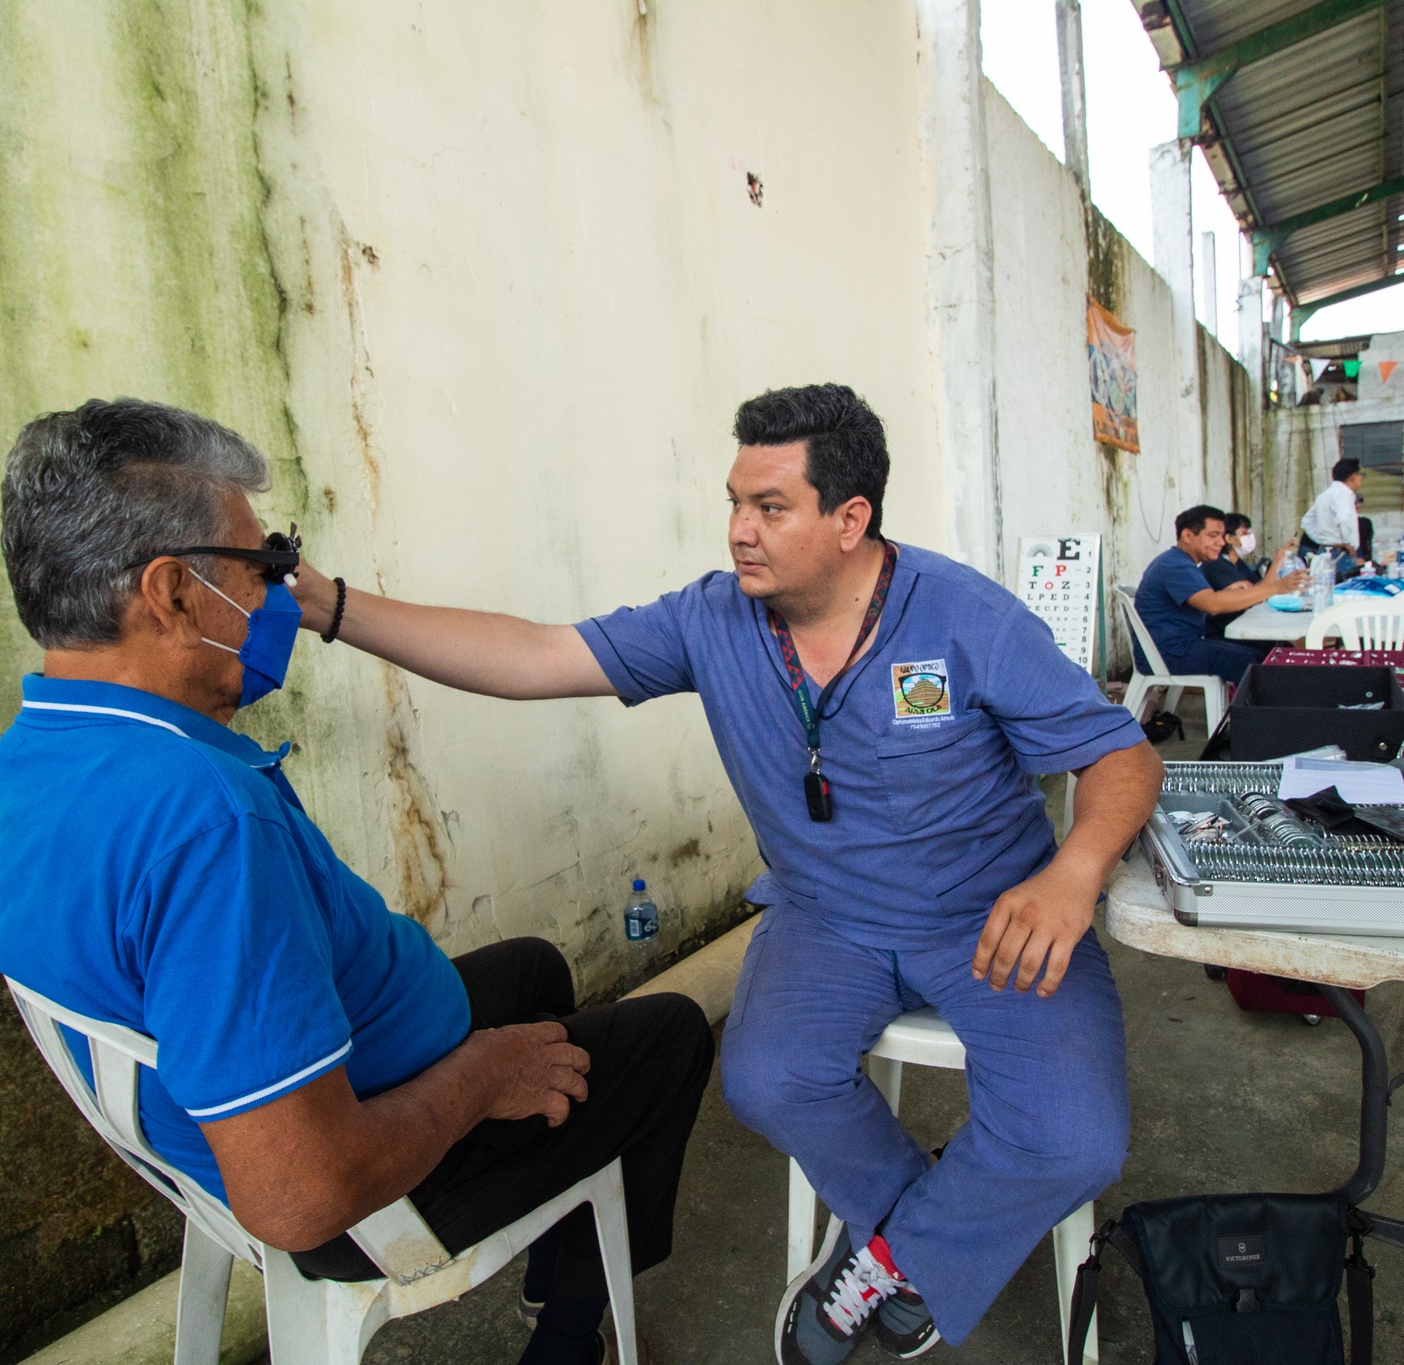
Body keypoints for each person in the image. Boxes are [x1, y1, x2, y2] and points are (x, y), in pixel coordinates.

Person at [281, 383, 1166, 1363]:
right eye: (736, 502)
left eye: (770, 507)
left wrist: (1074, 872)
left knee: (1076, 1139)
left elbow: (1120, 755)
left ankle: (888, 1255)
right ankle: (916, 1242)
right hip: (825, 917)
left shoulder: (966, 617)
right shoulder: (712, 619)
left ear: (849, 519)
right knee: (766, 1079)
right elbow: (533, 654)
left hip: (991, 913)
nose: (739, 530)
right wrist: (333, 609)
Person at [0, 400, 715, 1365]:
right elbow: (300, 1192)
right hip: (356, 1186)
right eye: (259, 565)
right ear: (172, 592)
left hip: (272, 1095)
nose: (278, 591)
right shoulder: (203, 821)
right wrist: (482, 1078)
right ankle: (569, 1337)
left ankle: (557, 1241)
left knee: (533, 968)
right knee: (671, 1034)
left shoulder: (28, 762)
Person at [1135, 505, 1306, 687]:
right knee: (1253, 662)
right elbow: (1212, 605)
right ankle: (1269, 705)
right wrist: (1276, 588)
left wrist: (1229, 593)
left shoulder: (1178, 561)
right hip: (1170, 654)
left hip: (1178, 648)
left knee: (1265, 652)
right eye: (1213, 535)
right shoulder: (1175, 565)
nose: (1221, 542)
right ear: (1187, 536)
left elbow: (1209, 598)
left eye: (1221, 536)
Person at [1201, 511, 1263, 638]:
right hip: (1222, 632)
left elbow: (1260, 587)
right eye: (1244, 533)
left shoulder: (1237, 562)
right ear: (1229, 538)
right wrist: (1278, 560)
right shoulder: (1215, 564)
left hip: (1239, 625)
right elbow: (1254, 594)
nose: (1250, 537)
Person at [1300, 458, 1363, 579]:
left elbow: (1306, 522)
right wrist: (1347, 543)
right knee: (1344, 587)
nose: (1361, 479)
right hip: (1342, 553)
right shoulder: (1343, 494)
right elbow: (1344, 518)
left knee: (1327, 585)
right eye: (1360, 475)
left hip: (1325, 550)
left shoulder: (1324, 495)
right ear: (1353, 477)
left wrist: (1323, 539)